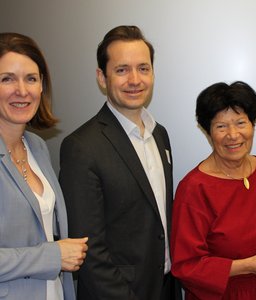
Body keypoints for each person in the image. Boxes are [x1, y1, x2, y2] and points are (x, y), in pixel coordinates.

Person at [59, 25, 181, 300]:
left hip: (164, 288)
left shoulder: (160, 134)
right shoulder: (81, 147)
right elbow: (89, 250)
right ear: (102, 77)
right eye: (122, 70)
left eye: (143, 68)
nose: (135, 79)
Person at [171, 81, 256, 300]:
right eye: (221, 126)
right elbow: (186, 265)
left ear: (252, 125)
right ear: (208, 131)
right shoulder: (194, 189)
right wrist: (246, 266)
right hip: (226, 294)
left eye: (240, 123)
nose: (233, 134)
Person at [0, 32, 88, 300]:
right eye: (7, 79)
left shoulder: (36, 146)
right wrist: (53, 255)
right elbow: (54, 253)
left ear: (42, 86)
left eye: (31, 79)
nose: (22, 91)